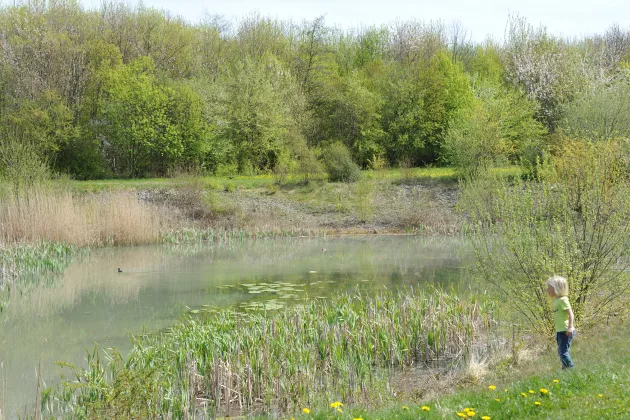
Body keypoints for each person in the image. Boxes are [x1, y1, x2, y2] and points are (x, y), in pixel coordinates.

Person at [546, 276, 575, 369]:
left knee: (563, 352)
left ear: (557, 288)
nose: (548, 290)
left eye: (550, 288)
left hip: (565, 330)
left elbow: (571, 314)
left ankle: (571, 369)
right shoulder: (556, 301)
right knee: (561, 352)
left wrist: (570, 327)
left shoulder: (563, 300)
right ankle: (565, 370)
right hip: (560, 331)